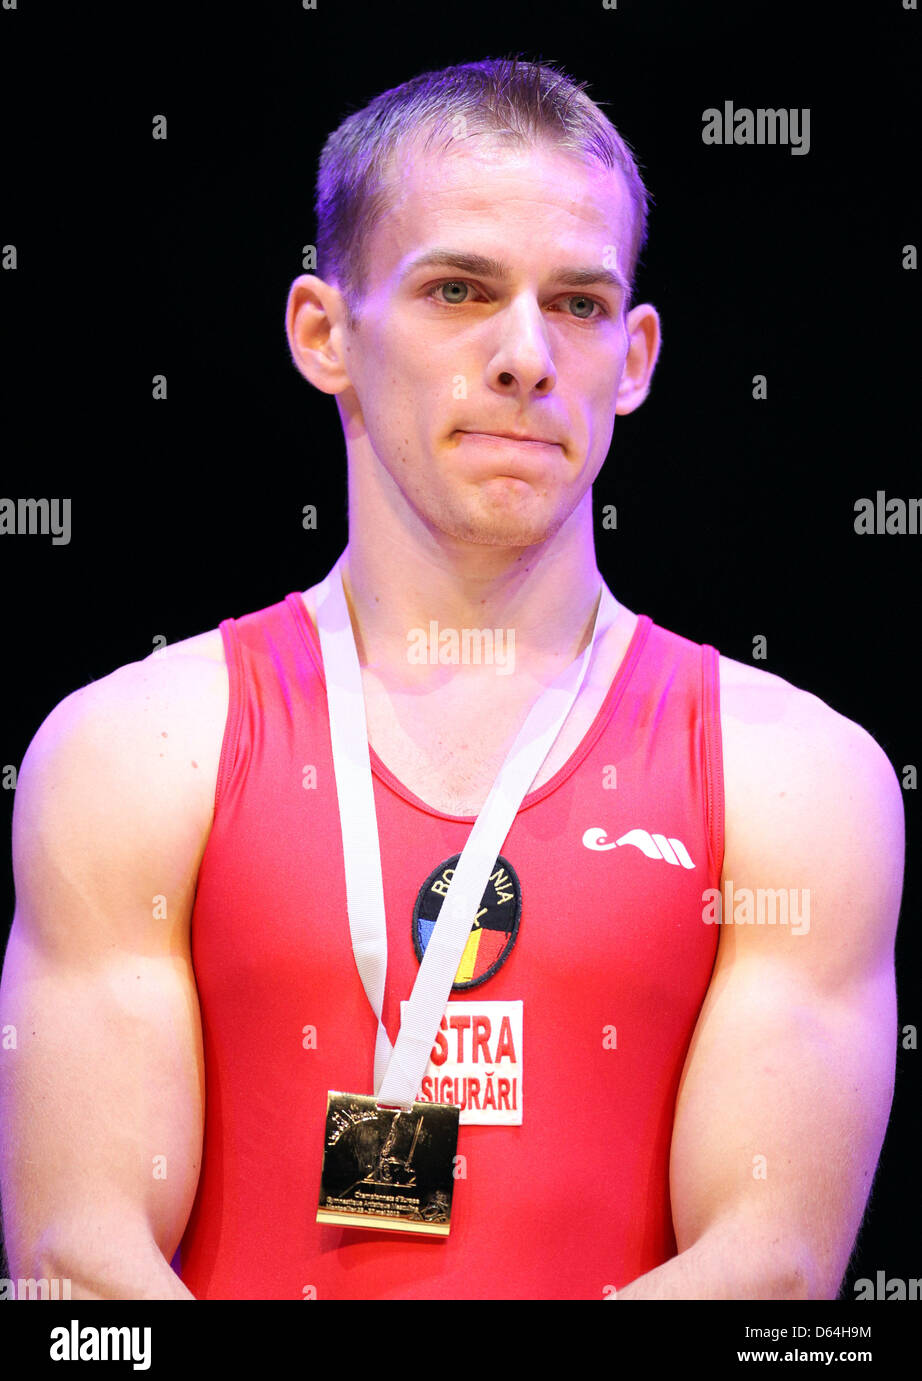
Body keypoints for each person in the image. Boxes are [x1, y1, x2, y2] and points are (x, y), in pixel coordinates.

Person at [0, 57, 903, 1301]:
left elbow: (771, 1274)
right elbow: (73, 1274)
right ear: (324, 332)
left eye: (579, 305)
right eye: (459, 290)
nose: (526, 354)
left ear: (635, 358)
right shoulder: (137, 748)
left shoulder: (796, 777)